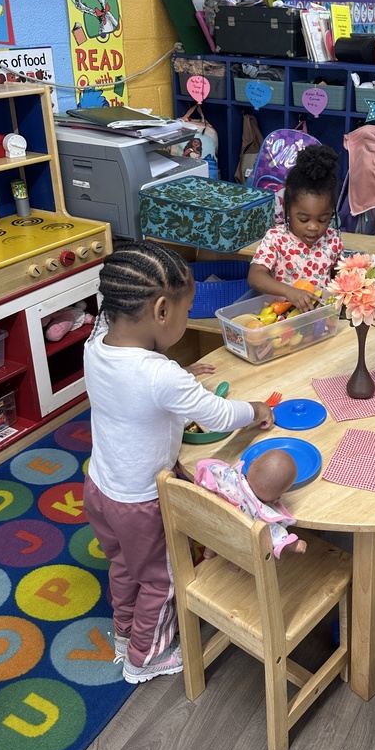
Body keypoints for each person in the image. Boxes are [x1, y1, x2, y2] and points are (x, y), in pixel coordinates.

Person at [83, 240, 274, 685]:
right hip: (141, 501)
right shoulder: (160, 375)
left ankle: (124, 633)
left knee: (123, 566)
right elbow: (221, 415)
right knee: (161, 579)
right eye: (188, 313)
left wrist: (180, 380)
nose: (188, 322)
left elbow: (134, 383)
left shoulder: (96, 343)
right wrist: (256, 409)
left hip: (99, 488)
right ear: (163, 310)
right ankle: (142, 661)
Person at [248, 144, 342, 313]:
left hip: (322, 319)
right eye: (303, 219)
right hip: (281, 320)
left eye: (323, 219)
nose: (313, 227)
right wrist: (289, 291)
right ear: (288, 209)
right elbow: (255, 276)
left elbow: (338, 276)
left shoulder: (332, 239)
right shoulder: (276, 238)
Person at [194, 449, 308, 558]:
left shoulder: (227, 476)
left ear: (252, 464)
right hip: (233, 540)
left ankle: (209, 551)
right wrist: (294, 545)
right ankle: (235, 564)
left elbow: (204, 466)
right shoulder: (260, 514)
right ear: (277, 498)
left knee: (217, 528)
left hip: (210, 524)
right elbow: (275, 535)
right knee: (248, 543)